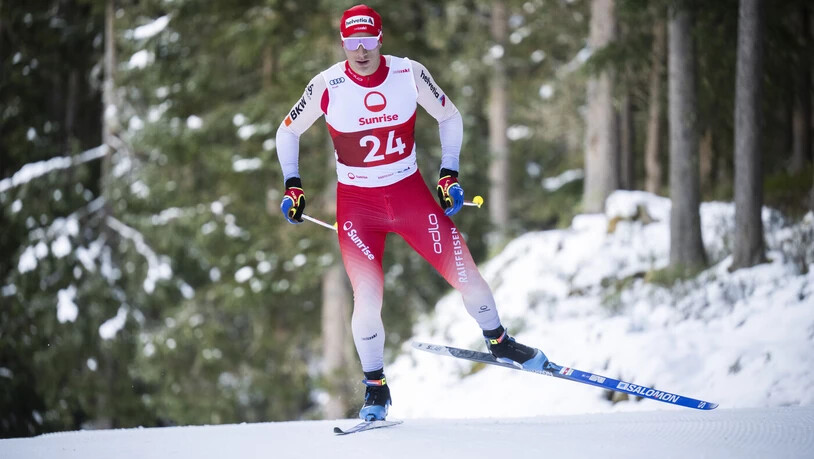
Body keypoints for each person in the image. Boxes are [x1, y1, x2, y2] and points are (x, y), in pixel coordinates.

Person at [275, 4, 548, 421]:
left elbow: (449, 115)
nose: (361, 50)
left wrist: (448, 174)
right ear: (343, 43)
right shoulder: (326, 84)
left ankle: (499, 341)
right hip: (358, 207)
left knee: (465, 271)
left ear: (380, 38)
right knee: (366, 301)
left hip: (409, 196)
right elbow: (288, 129)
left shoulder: (408, 73)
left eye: (369, 40)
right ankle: (375, 389)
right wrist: (293, 184)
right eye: (353, 42)